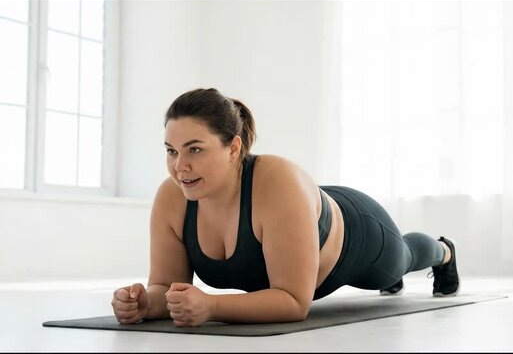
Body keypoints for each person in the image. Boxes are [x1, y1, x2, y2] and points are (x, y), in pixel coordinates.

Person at [111, 88, 460, 327]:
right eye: (171, 151)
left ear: (233, 149)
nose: (179, 166)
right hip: (300, 212)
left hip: (359, 233)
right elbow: (165, 287)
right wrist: (145, 303)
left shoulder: (278, 183)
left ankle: (444, 251)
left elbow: (294, 302)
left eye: (195, 150)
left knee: (404, 258)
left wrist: (212, 306)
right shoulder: (172, 198)